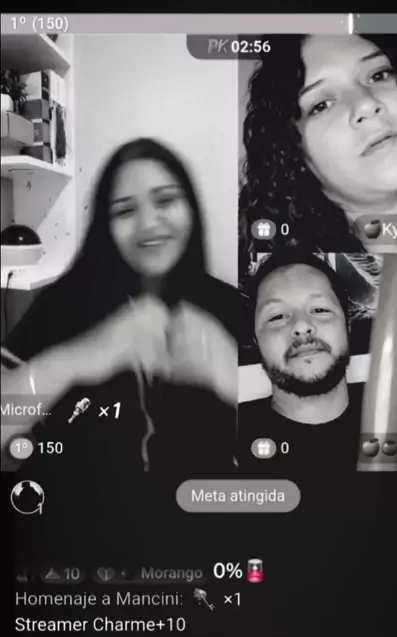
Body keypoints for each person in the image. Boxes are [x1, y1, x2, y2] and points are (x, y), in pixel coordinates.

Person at [1, 138, 239, 565]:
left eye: (166, 201)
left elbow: (298, 454)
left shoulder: (231, 309)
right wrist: (78, 358)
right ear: (104, 226)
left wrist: (230, 375)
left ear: (192, 208)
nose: (149, 224)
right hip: (76, 567)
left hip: (202, 563)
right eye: (125, 211)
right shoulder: (63, 304)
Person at [237, 246, 397, 479]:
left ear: (348, 328)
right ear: (255, 340)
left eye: (320, 309)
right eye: (277, 316)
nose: (301, 326)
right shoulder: (228, 449)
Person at [240, 33, 397, 258]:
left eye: (378, 75)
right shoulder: (282, 277)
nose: (366, 104)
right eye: (321, 105)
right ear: (293, 152)